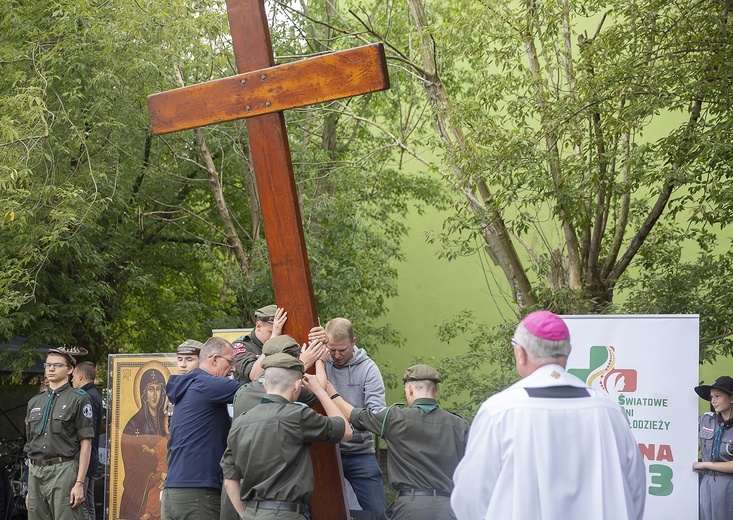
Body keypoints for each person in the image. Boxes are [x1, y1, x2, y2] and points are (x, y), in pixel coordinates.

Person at [451, 310, 646, 520]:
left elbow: (470, 495)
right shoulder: (609, 410)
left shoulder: (500, 411)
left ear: (520, 354)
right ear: (568, 351)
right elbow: (635, 487)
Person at [220, 353, 353, 519]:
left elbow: (229, 481)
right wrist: (320, 390)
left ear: (266, 384)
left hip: (252, 514)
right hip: (286, 514)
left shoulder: (240, 422)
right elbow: (346, 431)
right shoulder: (297, 415)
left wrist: (247, 514)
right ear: (297, 386)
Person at [329, 364, 468, 519]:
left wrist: (328, 390)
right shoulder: (460, 425)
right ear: (436, 391)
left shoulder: (395, 418)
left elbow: (351, 414)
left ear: (409, 390)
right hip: (448, 508)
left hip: (409, 508)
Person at [162, 337, 242, 520]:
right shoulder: (207, 384)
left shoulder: (187, 387)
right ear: (214, 359)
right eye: (230, 362)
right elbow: (259, 390)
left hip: (172, 492)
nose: (233, 369)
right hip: (197, 493)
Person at [324, 317, 387, 520]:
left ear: (354, 341)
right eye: (331, 349)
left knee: (377, 512)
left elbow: (377, 417)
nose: (336, 355)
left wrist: (347, 421)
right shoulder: (322, 363)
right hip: (323, 452)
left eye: (341, 349)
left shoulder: (369, 370)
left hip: (359, 452)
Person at [24, 347, 94, 520]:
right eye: (48, 365)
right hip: (36, 472)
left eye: (57, 365)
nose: (51, 369)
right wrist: (29, 488)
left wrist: (79, 483)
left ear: (70, 370)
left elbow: (86, 443)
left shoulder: (79, 398)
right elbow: (31, 444)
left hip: (63, 470)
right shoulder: (34, 402)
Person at [119, 367, 169, 520]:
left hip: (166, 487)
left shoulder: (168, 420)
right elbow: (131, 469)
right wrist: (156, 477)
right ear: (144, 394)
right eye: (150, 390)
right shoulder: (132, 425)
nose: (155, 395)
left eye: (158, 389)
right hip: (139, 494)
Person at [693, 375, 733, 520]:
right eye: (711, 397)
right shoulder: (706, 420)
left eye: (718, 396)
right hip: (707, 483)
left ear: (731, 398)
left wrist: (705, 464)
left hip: (729, 485)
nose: (713, 401)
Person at [73, 362, 102, 520]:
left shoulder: (87, 396)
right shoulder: (94, 394)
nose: (71, 381)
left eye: (73, 377)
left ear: (80, 376)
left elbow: (87, 432)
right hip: (91, 456)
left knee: (82, 505)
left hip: (84, 456)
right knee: (88, 505)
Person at [232, 305, 287, 384]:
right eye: (271, 332)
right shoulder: (242, 345)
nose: (277, 337)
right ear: (258, 326)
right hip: (250, 395)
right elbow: (254, 376)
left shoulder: (283, 344)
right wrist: (273, 340)